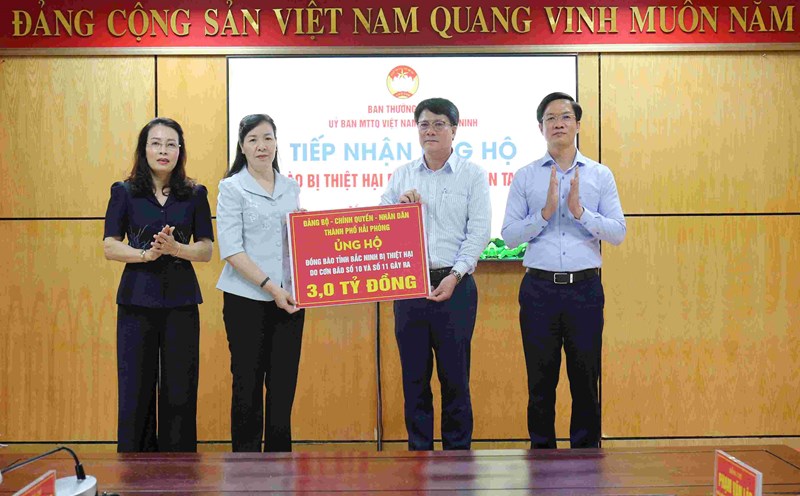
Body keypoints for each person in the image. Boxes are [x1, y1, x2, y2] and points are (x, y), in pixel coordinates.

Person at [501, 92, 626, 449]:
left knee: (585, 380)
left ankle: (586, 461)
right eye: (550, 118)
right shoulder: (526, 176)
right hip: (538, 290)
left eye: (565, 117)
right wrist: (543, 214)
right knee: (540, 383)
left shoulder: (600, 175)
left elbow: (617, 233)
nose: (558, 123)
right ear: (540, 128)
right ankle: (542, 459)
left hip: (584, 290)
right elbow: (509, 237)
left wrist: (579, 212)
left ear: (577, 125)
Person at [380, 97, 491, 450]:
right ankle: (419, 457)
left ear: (454, 130)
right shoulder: (402, 175)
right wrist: (398, 209)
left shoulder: (472, 174)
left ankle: (458, 459)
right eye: (424, 124)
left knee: (455, 377)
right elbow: (379, 225)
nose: (430, 130)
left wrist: (455, 275)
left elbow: (480, 232)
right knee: (414, 378)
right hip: (409, 286)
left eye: (439, 124)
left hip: (455, 286)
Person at [103, 117, 214, 452]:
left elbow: (206, 248)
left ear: (180, 152)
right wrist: (145, 254)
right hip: (137, 301)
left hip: (181, 303)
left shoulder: (195, 194)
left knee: (180, 389)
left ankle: (179, 471)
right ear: (144, 149)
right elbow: (110, 245)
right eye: (156, 143)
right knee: (135, 388)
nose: (163, 150)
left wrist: (176, 249)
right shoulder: (123, 192)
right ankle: (134, 471)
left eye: (171, 144)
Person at [216, 114, 305, 452]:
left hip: (291, 302)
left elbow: (297, 242)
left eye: (268, 138)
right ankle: (246, 469)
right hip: (246, 302)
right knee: (247, 386)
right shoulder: (232, 187)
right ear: (242, 146)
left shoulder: (291, 187)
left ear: (277, 143)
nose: (262, 146)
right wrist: (271, 288)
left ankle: (281, 464)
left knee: (283, 388)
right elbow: (231, 250)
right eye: (253, 139)